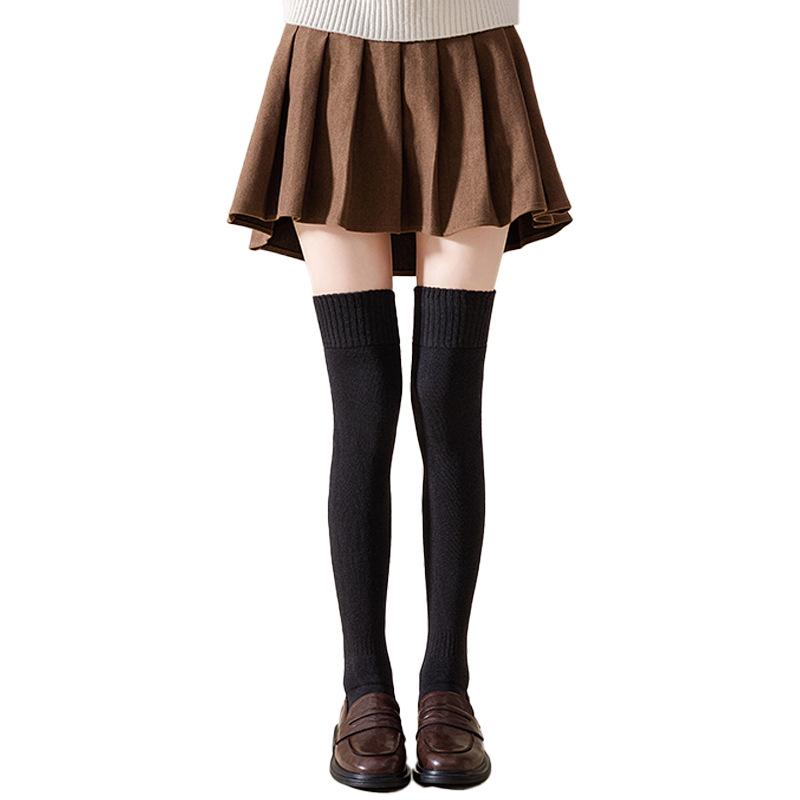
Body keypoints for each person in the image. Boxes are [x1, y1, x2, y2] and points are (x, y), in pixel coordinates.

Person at [227, 0, 572, 790]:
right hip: (336, 60)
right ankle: (364, 690)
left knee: (447, 399)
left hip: (471, 59)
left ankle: (446, 684)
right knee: (365, 404)